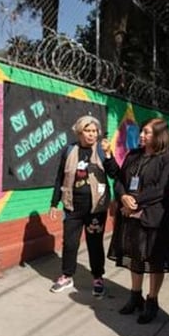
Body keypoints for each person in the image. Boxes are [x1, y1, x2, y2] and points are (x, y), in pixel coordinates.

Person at [106, 118, 169, 324]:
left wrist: (135, 200)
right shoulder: (133, 155)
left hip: (155, 217)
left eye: (146, 132)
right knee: (135, 255)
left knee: (155, 260)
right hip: (130, 215)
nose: (141, 135)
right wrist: (122, 197)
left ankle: (152, 300)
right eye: (142, 131)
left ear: (159, 135)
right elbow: (120, 179)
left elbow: (162, 188)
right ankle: (135, 295)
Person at [49, 115, 116, 297]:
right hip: (72, 207)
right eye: (88, 130)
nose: (92, 134)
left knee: (95, 243)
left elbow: (115, 174)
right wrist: (54, 203)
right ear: (80, 132)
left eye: (94, 131)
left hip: (96, 208)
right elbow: (60, 178)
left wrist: (109, 155)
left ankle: (98, 277)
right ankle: (67, 276)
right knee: (70, 243)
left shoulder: (102, 150)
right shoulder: (69, 150)